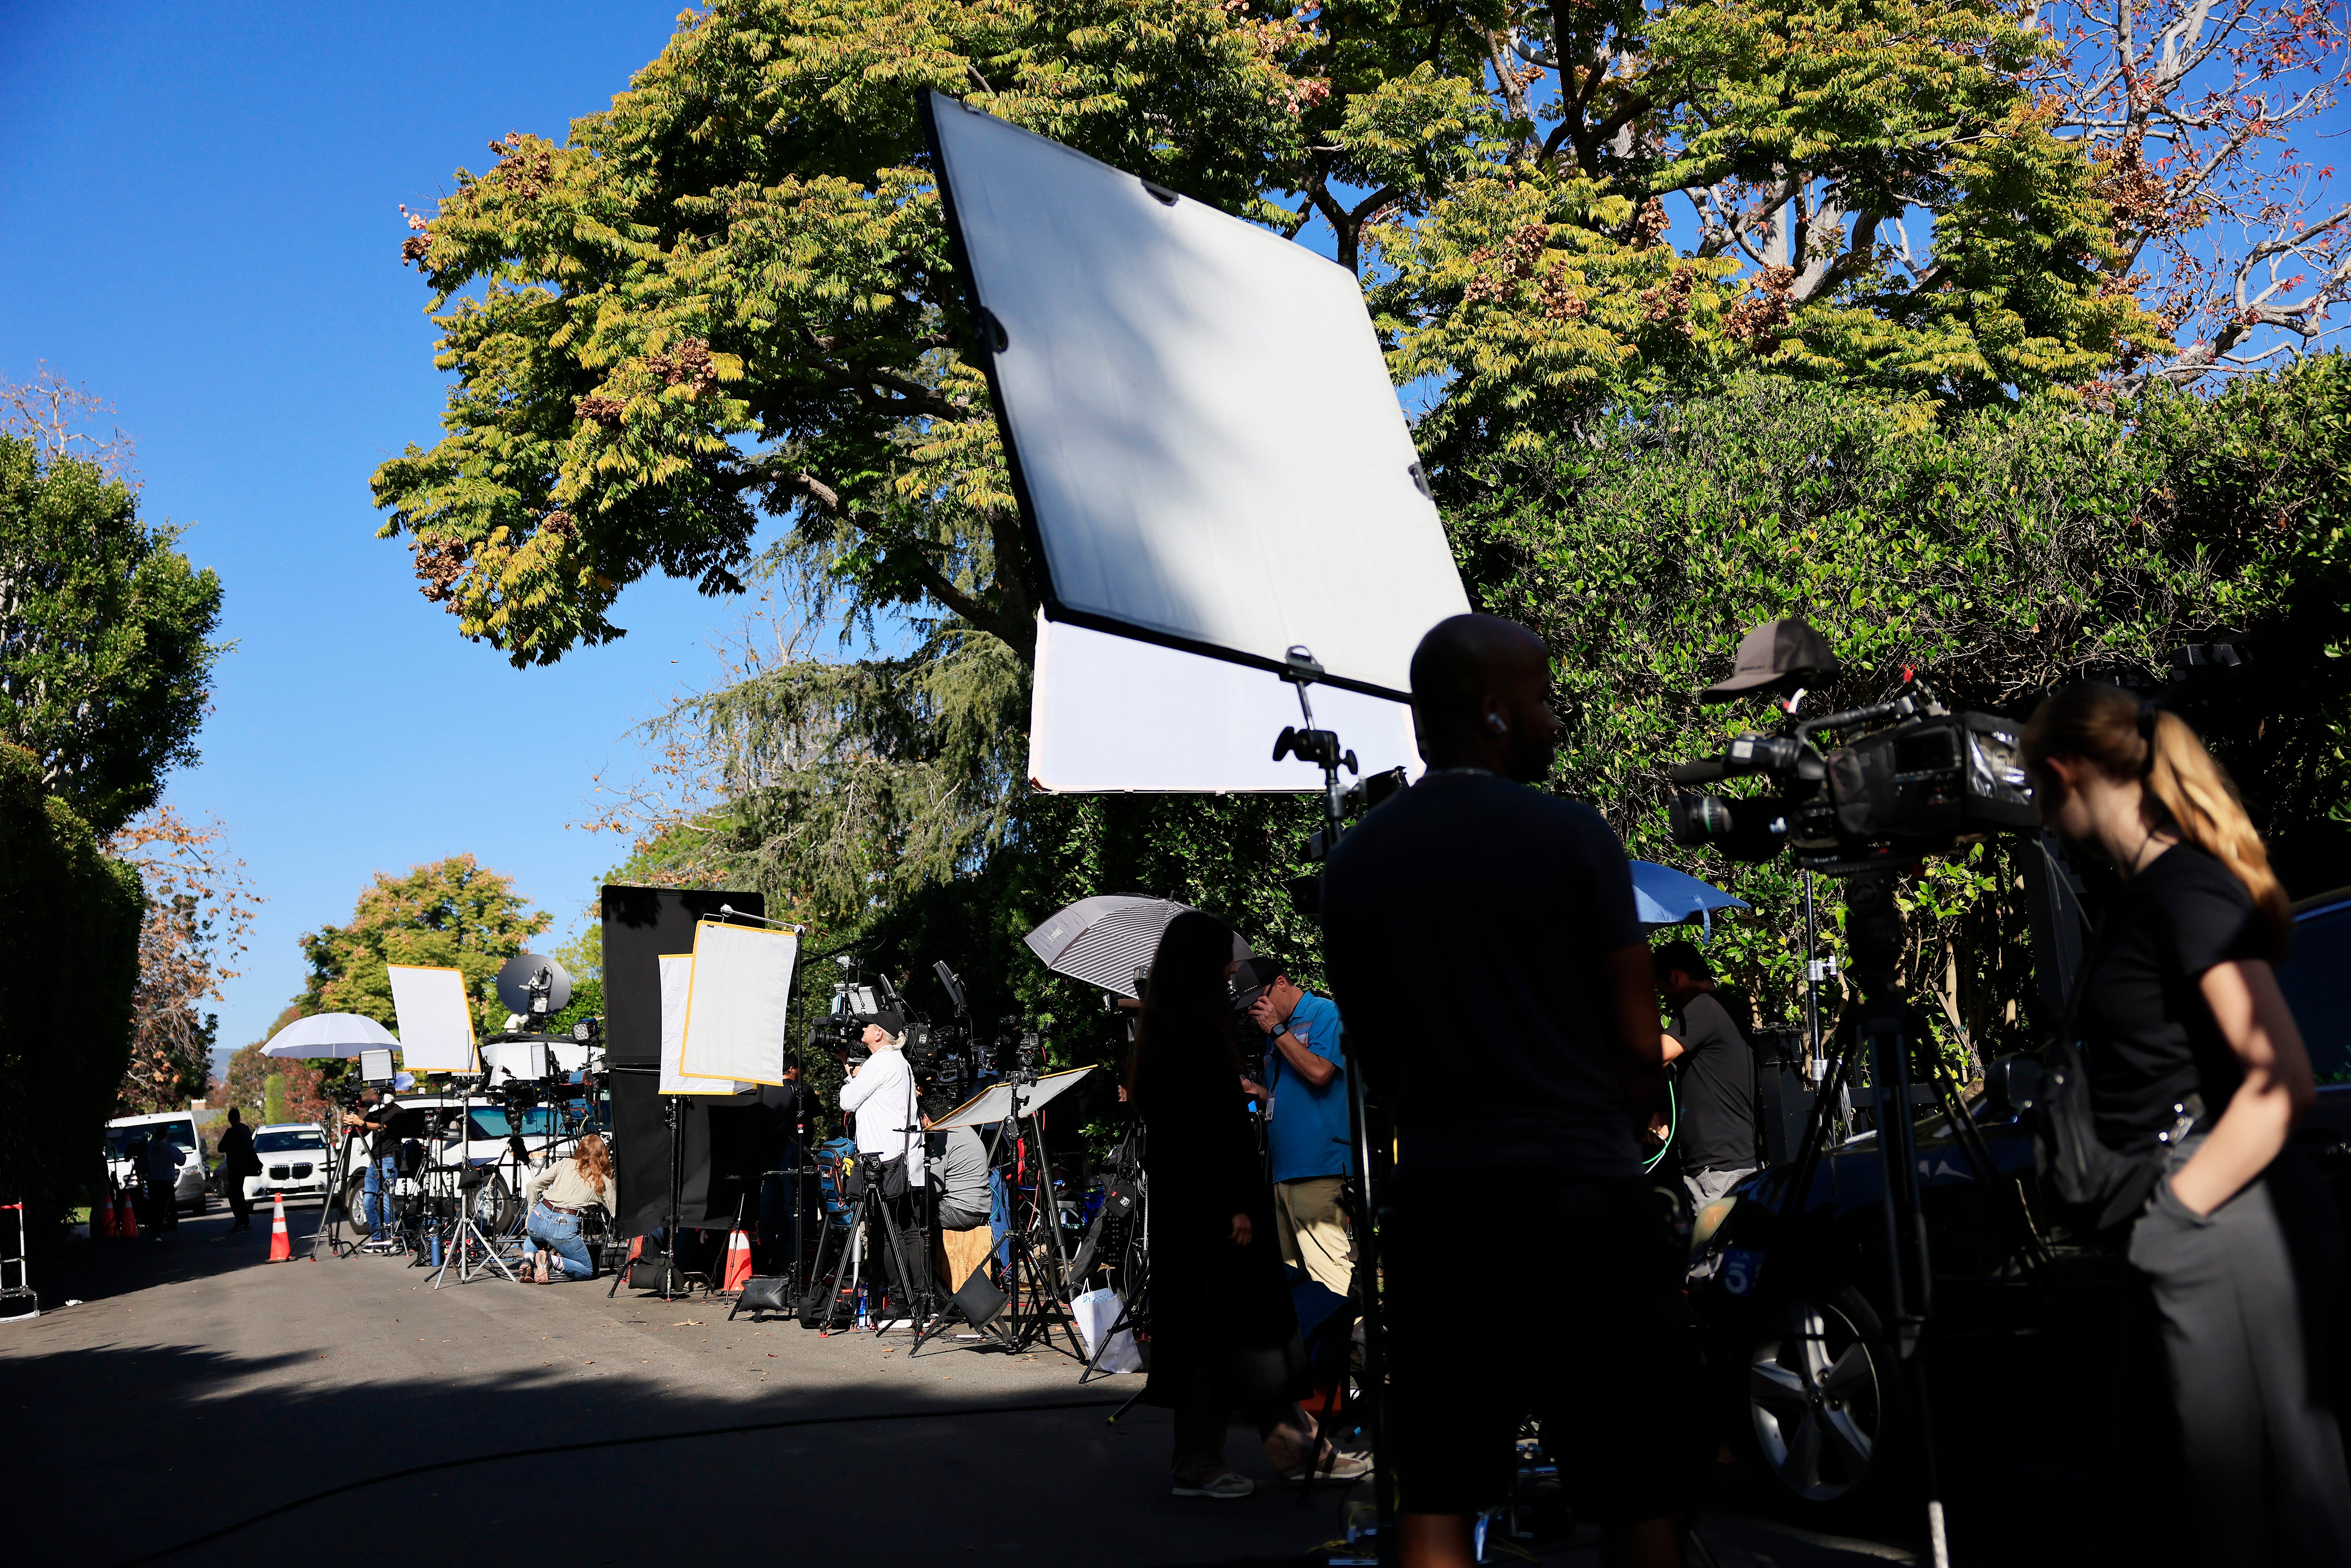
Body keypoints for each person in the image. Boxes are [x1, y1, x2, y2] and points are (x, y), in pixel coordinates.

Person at [1322, 613, 1692, 1568]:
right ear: (1491, 711)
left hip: (1443, 1198)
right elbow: (1633, 1035)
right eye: (1539, 697)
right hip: (1581, 1194)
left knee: (1437, 1487)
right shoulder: (1572, 837)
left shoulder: (1356, 861)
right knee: (1631, 1487)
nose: (1552, 719)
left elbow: (1375, 1053)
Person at [2022, 682, 2351, 1566]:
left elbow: (2281, 1077)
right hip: (2197, 1226)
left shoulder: (2184, 885)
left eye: (2039, 790)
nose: (2043, 815)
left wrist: (2176, 1214)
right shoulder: (2145, 891)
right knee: (2177, 1510)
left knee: (2263, 1520)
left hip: (2222, 1223)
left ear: (2063, 774)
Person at [1130, 911, 1355, 1500]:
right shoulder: (1195, 1033)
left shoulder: (1173, 1028)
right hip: (1217, 1203)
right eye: (1226, 958)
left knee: (1232, 1329)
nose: (1235, 969)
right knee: (1234, 1329)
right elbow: (1204, 1128)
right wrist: (1233, 1202)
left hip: (1202, 1202)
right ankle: (1252, 1450)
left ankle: (1278, 1443)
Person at [1235, 956, 1355, 1298]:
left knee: (1329, 1277)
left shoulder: (1326, 1013)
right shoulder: (1277, 1032)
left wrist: (1276, 1029)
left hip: (1318, 1168)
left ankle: (1351, 1349)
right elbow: (1283, 1095)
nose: (1255, 1012)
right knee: (1295, 1284)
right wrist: (1255, 1092)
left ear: (1282, 984)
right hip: (1283, 1172)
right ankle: (1320, 1349)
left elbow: (1320, 1073)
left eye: (1260, 1001)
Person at [1653, 939, 1757, 1217]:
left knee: (1713, 1258)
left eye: (1663, 991)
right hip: (1718, 1168)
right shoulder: (1718, 1008)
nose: (1665, 1001)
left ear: (1677, 977)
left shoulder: (1704, 1007)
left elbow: (1653, 1057)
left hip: (1720, 1172)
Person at [922, 1093, 994, 1293]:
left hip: (962, 1211)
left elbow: (933, 1188)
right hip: (980, 1209)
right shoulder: (963, 1128)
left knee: (911, 1219)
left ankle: (929, 1289)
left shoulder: (942, 1135)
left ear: (926, 1118)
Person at [521, 1132, 615, 1282]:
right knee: (587, 1270)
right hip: (563, 1225)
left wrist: (531, 1213)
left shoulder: (564, 1163)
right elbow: (617, 1213)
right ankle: (551, 1261)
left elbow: (532, 1185)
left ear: (580, 1150)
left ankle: (528, 1259)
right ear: (603, 1156)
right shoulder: (602, 1182)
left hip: (539, 1215)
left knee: (535, 1238)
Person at [343, 1089, 426, 1241]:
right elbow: (362, 1130)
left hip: (389, 1160)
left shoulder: (400, 1113)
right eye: (379, 1093)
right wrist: (352, 1122)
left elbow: (384, 1127)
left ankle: (389, 1236)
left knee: (387, 1201)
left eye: (385, 1092)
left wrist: (362, 1122)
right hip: (374, 1161)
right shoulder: (377, 1112)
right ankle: (377, 1237)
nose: (381, 1096)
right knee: (368, 1201)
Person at [217, 1107, 261, 1233]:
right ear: (239, 1117)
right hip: (245, 1165)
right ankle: (245, 1221)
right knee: (238, 1192)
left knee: (234, 1193)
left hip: (235, 1166)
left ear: (230, 1119)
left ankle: (241, 1221)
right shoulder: (246, 1129)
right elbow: (250, 1145)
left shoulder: (231, 1132)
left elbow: (221, 1147)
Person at [139, 1133, 185, 1237]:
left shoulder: (149, 1151)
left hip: (154, 1182)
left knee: (155, 1204)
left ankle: (155, 1225)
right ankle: (171, 1222)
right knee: (168, 1202)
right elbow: (182, 1161)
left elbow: (141, 1166)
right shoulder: (171, 1149)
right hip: (167, 1181)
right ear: (167, 1136)